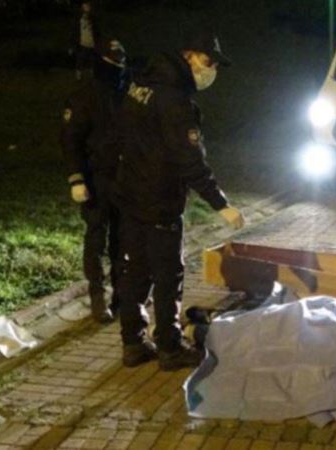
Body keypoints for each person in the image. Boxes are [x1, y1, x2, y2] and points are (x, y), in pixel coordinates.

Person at [113, 29, 245, 370]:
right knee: (168, 275)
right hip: (160, 200)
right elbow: (189, 161)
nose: (211, 70)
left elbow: (122, 136)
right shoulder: (176, 102)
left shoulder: (141, 84)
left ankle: (133, 343)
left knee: (135, 271)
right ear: (188, 56)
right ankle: (170, 348)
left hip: (130, 194)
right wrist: (220, 204)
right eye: (208, 61)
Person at [61, 39, 129, 324]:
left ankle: (121, 296)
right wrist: (76, 178)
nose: (118, 67)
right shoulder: (85, 95)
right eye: (113, 61)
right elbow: (71, 140)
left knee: (122, 240)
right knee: (97, 239)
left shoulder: (128, 91)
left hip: (124, 178)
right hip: (96, 178)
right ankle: (98, 298)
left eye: (120, 61)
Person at [70, 1, 100, 80]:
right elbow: (74, 31)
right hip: (82, 43)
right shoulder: (78, 18)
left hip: (91, 43)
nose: (86, 8)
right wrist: (73, 44)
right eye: (85, 7)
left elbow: (96, 31)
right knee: (80, 59)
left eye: (88, 6)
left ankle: (92, 74)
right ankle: (79, 74)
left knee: (92, 60)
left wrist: (97, 41)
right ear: (82, 8)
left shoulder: (93, 18)